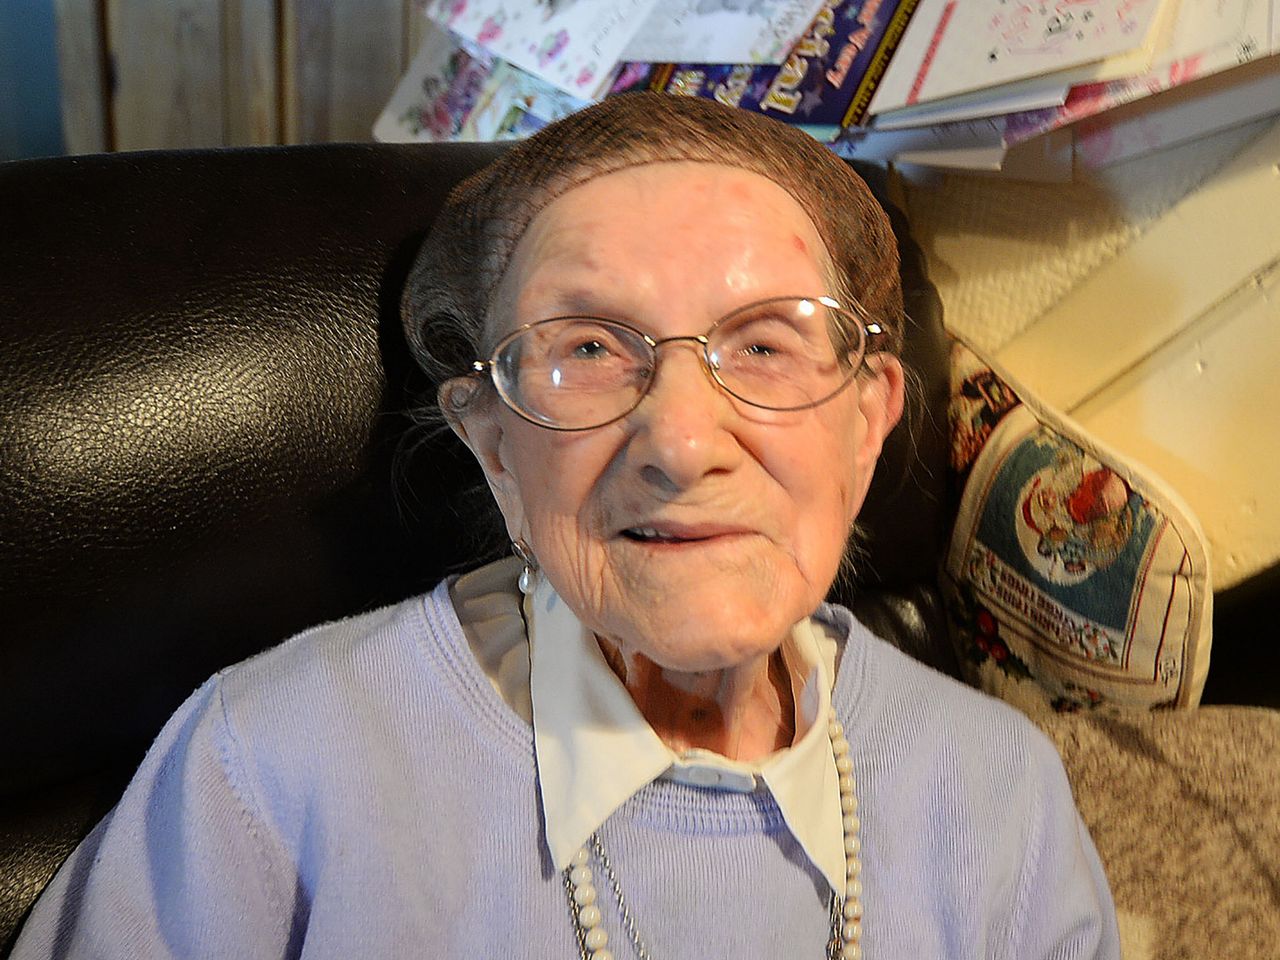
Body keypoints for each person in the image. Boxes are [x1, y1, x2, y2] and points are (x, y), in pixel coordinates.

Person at [11, 93, 1119, 959]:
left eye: (766, 344)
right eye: (588, 348)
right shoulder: (265, 773)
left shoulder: (999, 792)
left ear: (865, 425)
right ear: (494, 444)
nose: (682, 444)